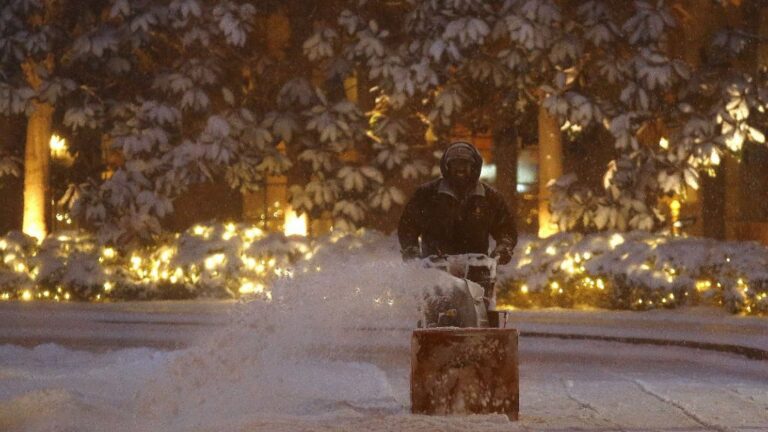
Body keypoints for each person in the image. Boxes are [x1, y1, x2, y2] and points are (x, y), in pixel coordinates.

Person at [397, 141, 517, 265]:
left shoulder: (490, 197)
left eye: (465, 163)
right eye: (455, 163)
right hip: (435, 270)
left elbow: (506, 227)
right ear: (447, 166)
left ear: (474, 167)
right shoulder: (427, 194)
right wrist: (410, 249)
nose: (460, 169)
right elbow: (408, 225)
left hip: (476, 270)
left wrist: (504, 246)